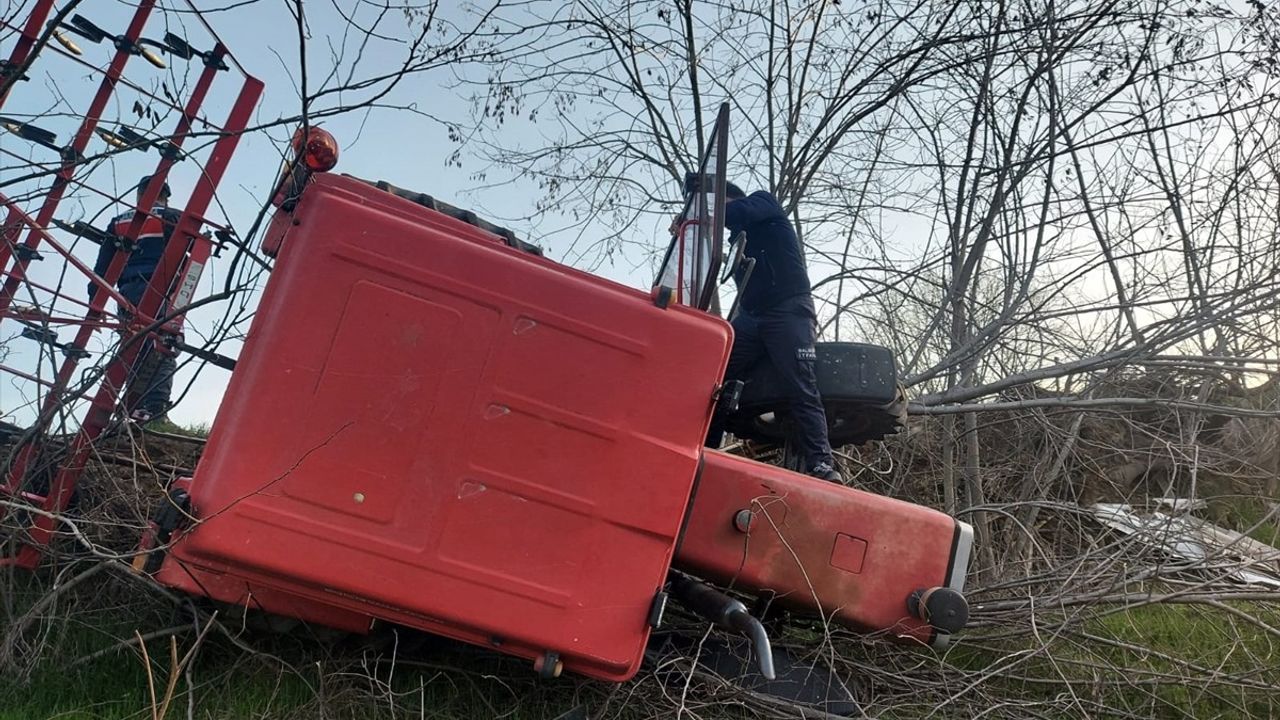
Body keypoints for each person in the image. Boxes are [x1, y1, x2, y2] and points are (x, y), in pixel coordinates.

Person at [705, 182, 841, 482]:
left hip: (788, 309)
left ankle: (820, 462)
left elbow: (733, 211)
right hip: (753, 317)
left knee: (801, 384)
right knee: (716, 375)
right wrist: (687, 228)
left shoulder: (762, 204)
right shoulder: (734, 241)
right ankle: (706, 448)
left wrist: (700, 212)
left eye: (715, 201)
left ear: (729, 198)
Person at [88, 175, 181, 424]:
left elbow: (102, 268)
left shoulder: (118, 222)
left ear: (139, 194)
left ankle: (134, 409)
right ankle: (155, 409)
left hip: (127, 293)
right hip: (160, 287)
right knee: (165, 343)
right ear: (165, 195)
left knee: (133, 346)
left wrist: (94, 303)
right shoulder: (172, 217)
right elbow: (191, 248)